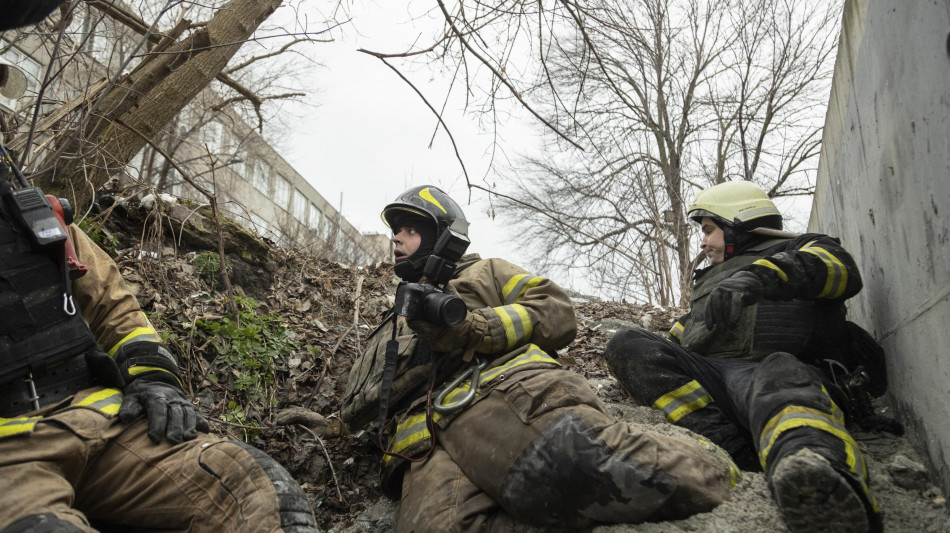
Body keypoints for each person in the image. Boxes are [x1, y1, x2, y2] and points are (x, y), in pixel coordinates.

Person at [342, 185, 737, 532]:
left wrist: (475, 328)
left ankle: (723, 470)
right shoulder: (396, 321)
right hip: (426, 446)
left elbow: (557, 311)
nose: (396, 238)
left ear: (444, 236)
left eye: (411, 229)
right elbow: (371, 402)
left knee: (592, 468)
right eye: (396, 230)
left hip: (500, 399)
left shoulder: (486, 272)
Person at [604, 180, 890, 533]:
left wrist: (759, 277)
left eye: (709, 230)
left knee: (780, 371)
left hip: (785, 378)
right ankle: (730, 448)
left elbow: (842, 272)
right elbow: (678, 342)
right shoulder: (709, 284)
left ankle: (819, 472)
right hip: (720, 390)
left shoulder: (805, 247)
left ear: (738, 223)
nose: (704, 242)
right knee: (628, 343)